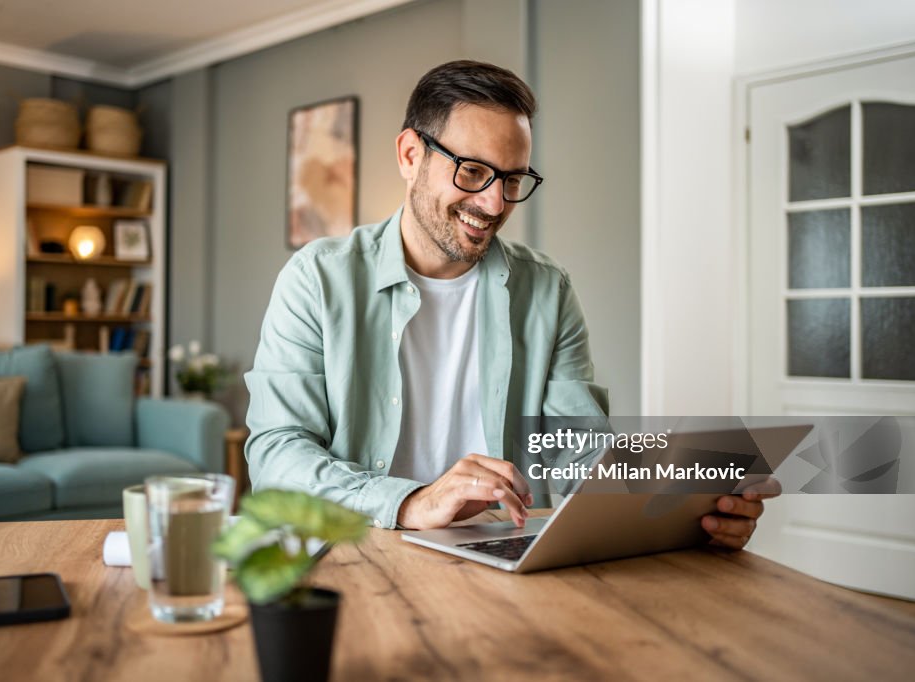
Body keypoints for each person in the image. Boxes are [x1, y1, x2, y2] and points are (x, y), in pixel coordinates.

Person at [246, 60, 777, 548]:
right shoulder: (318, 279)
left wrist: (688, 503)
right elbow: (276, 453)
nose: (494, 202)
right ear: (410, 155)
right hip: (362, 553)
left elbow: (580, 455)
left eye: (513, 178)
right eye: (472, 171)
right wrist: (411, 501)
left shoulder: (547, 289)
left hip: (506, 559)